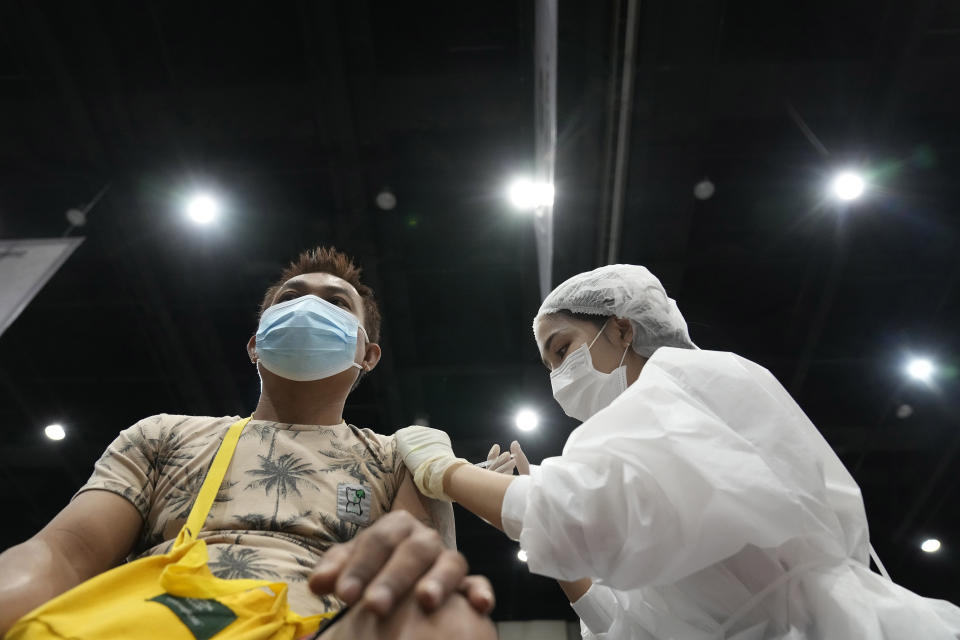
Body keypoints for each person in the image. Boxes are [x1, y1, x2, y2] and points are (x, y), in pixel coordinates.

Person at [396, 264, 960, 639]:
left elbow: (575, 515)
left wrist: (446, 472)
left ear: (620, 329)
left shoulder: (688, 380)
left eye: (563, 348)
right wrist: (529, 509)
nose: (558, 377)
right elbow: (630, 623)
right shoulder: (652, 438)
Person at [0, 246, 495, 640]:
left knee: (452, 620)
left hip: (325, 626)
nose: (309, 306)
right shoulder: (162, 434)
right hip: (161, 616)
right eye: (289, 298)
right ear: (256, 342)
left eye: (337, 303)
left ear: (368, 355)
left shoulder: (395, 457)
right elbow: (65, 552)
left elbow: (409, 581)